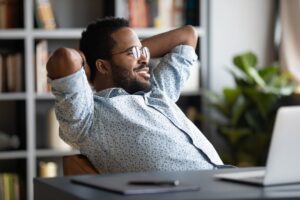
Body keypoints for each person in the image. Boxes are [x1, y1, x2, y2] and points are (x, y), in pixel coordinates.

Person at [46, 17, 224, 173]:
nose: (146, 59)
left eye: (144, 52)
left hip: (225, 179)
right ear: (103, 66)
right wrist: (93, 59)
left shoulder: (158, 92)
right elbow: (64, 58)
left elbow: (187, 35)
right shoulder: (88, 118)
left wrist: (134, 53)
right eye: (133, 53)